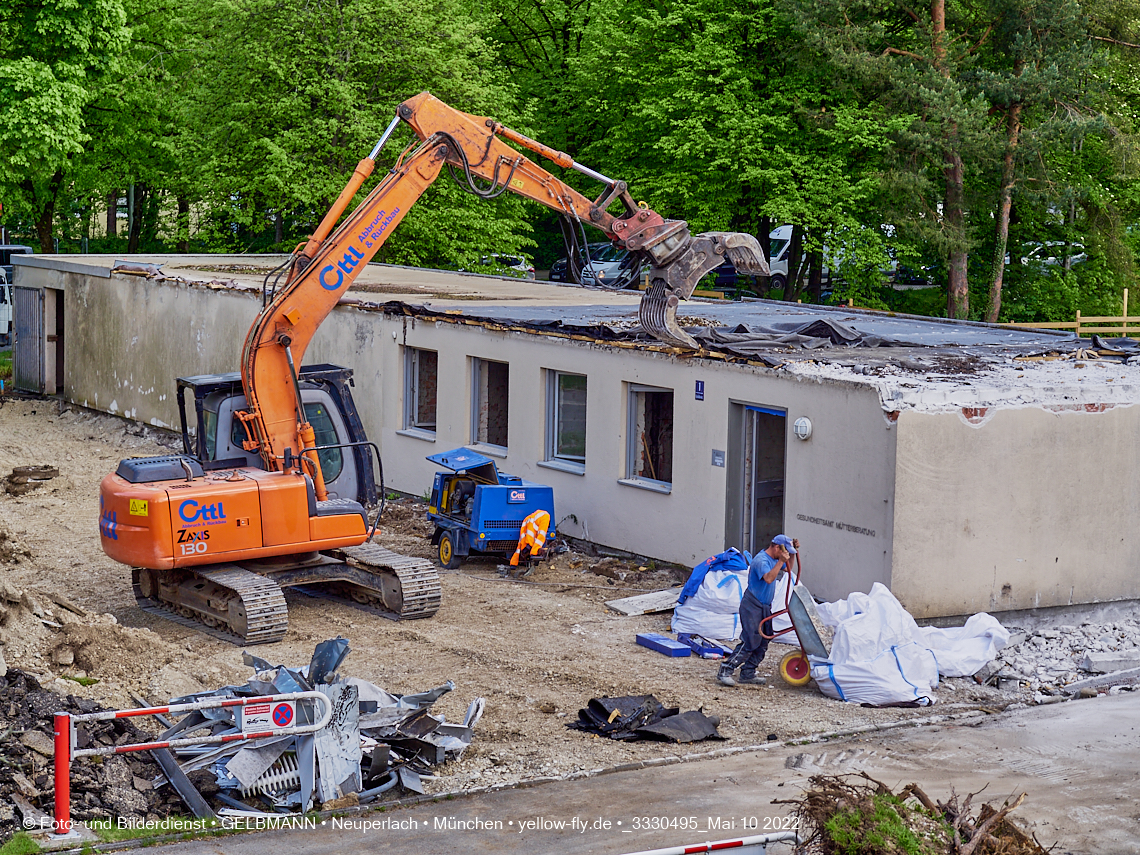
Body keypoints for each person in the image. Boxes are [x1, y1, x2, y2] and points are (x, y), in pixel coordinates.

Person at [717, 534, 799, 687]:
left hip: (765, 606)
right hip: (752, 605)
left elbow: (788, 568)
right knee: (750, 641)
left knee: (763, 641)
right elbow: (768, 578)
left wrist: (792, 553)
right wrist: (781, 561)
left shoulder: (775, 559)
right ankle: (726, 670)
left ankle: (748, 673)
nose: (785, 555)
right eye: (785, 551)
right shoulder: (761, 560)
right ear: (777, 547)